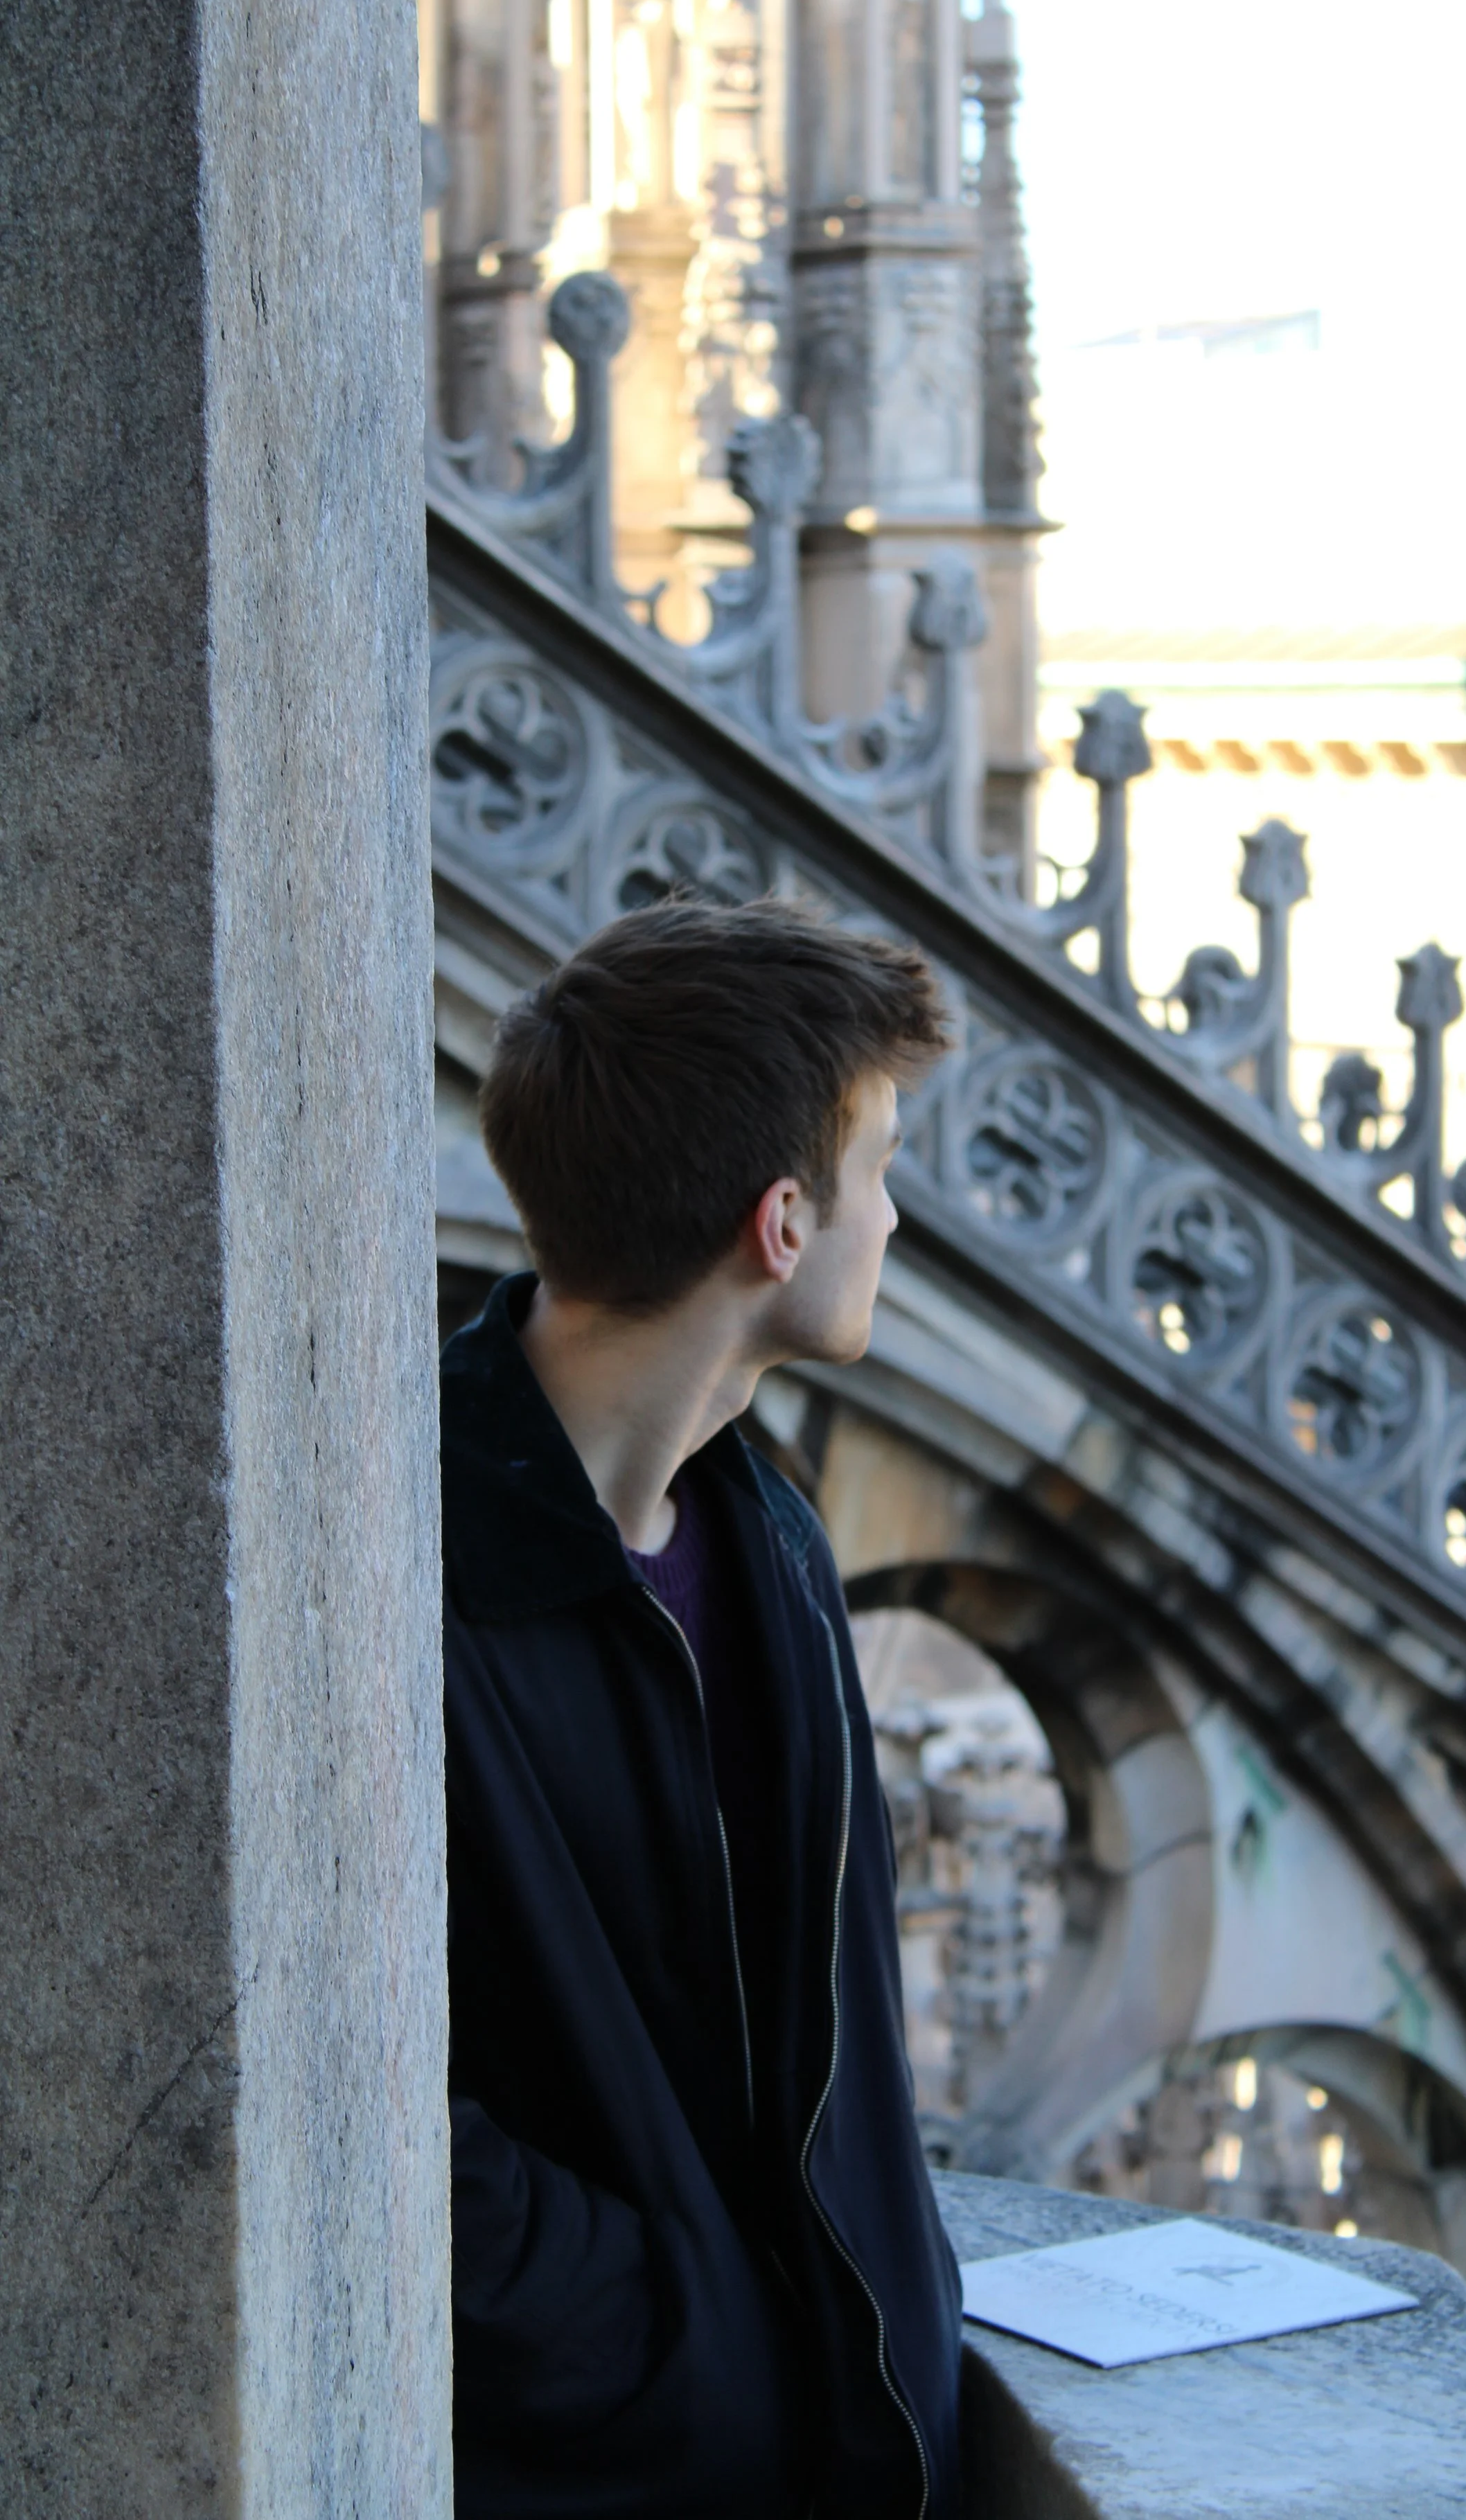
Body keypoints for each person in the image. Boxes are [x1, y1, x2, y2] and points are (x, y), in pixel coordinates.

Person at [441, 895, 962, 2519]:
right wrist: (695, 2351)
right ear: (784, 1224)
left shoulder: (769, 1536)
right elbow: (349, 2108)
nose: (898, 1222)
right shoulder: (396, 1573)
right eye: (877, 1172)